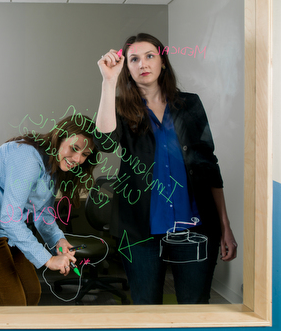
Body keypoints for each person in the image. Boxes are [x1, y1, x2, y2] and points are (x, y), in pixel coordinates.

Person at [94, 33, 237, 305]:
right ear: (126, 66)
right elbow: (104, 142)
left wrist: (225, 226)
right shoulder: (120, 109)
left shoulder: (190, 105)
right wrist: (108, 82)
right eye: (134, 59)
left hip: (195, 228)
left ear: (162, 62)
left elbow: (210, 166)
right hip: (140, 232)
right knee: (146, 309)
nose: (143, 64)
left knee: (194, 308)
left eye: (150, 56)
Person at [0, 116, 98, 306]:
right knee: (15, 305)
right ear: (59, 137)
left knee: (31, 294)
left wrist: (59, 240)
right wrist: (48, 260)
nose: (78, 159)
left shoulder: (53, 163)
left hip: (7, 232)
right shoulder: (28, 157)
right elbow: (10, 218)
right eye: (74, 148)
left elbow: (43, 212)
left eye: (85, 154)